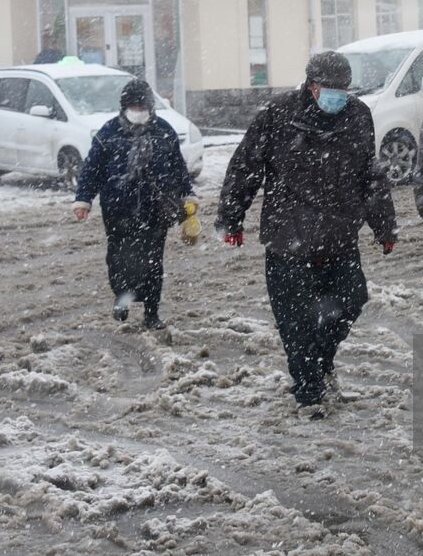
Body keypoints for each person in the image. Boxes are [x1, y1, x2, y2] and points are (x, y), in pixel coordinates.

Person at [218, 51, 397, 417]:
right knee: (296, 324)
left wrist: (384, 225)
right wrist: (232, 218)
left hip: (339, 236)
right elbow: (245, 167)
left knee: (350, 301)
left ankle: (320, 362)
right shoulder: (278, 115)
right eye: (331, 89)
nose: (338, 96)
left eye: (344, 90)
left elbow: (370, 175)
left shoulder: (358, 116)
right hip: (289, 240)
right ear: (312, 86)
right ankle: (309, 395)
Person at [72, 78, 195, 331]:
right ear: (124, 107)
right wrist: (83, 199)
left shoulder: (164, 131)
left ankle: (152, 312)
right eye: (133, 106)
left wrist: (187, 196)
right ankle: (122, 299)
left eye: (142, 106)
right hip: (118, 209)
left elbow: (178, 168)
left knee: (153, 262)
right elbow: (92, 169)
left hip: (155, 210)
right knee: (118, 259)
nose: (138, 111)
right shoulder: (108, 133)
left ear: (150, 106)